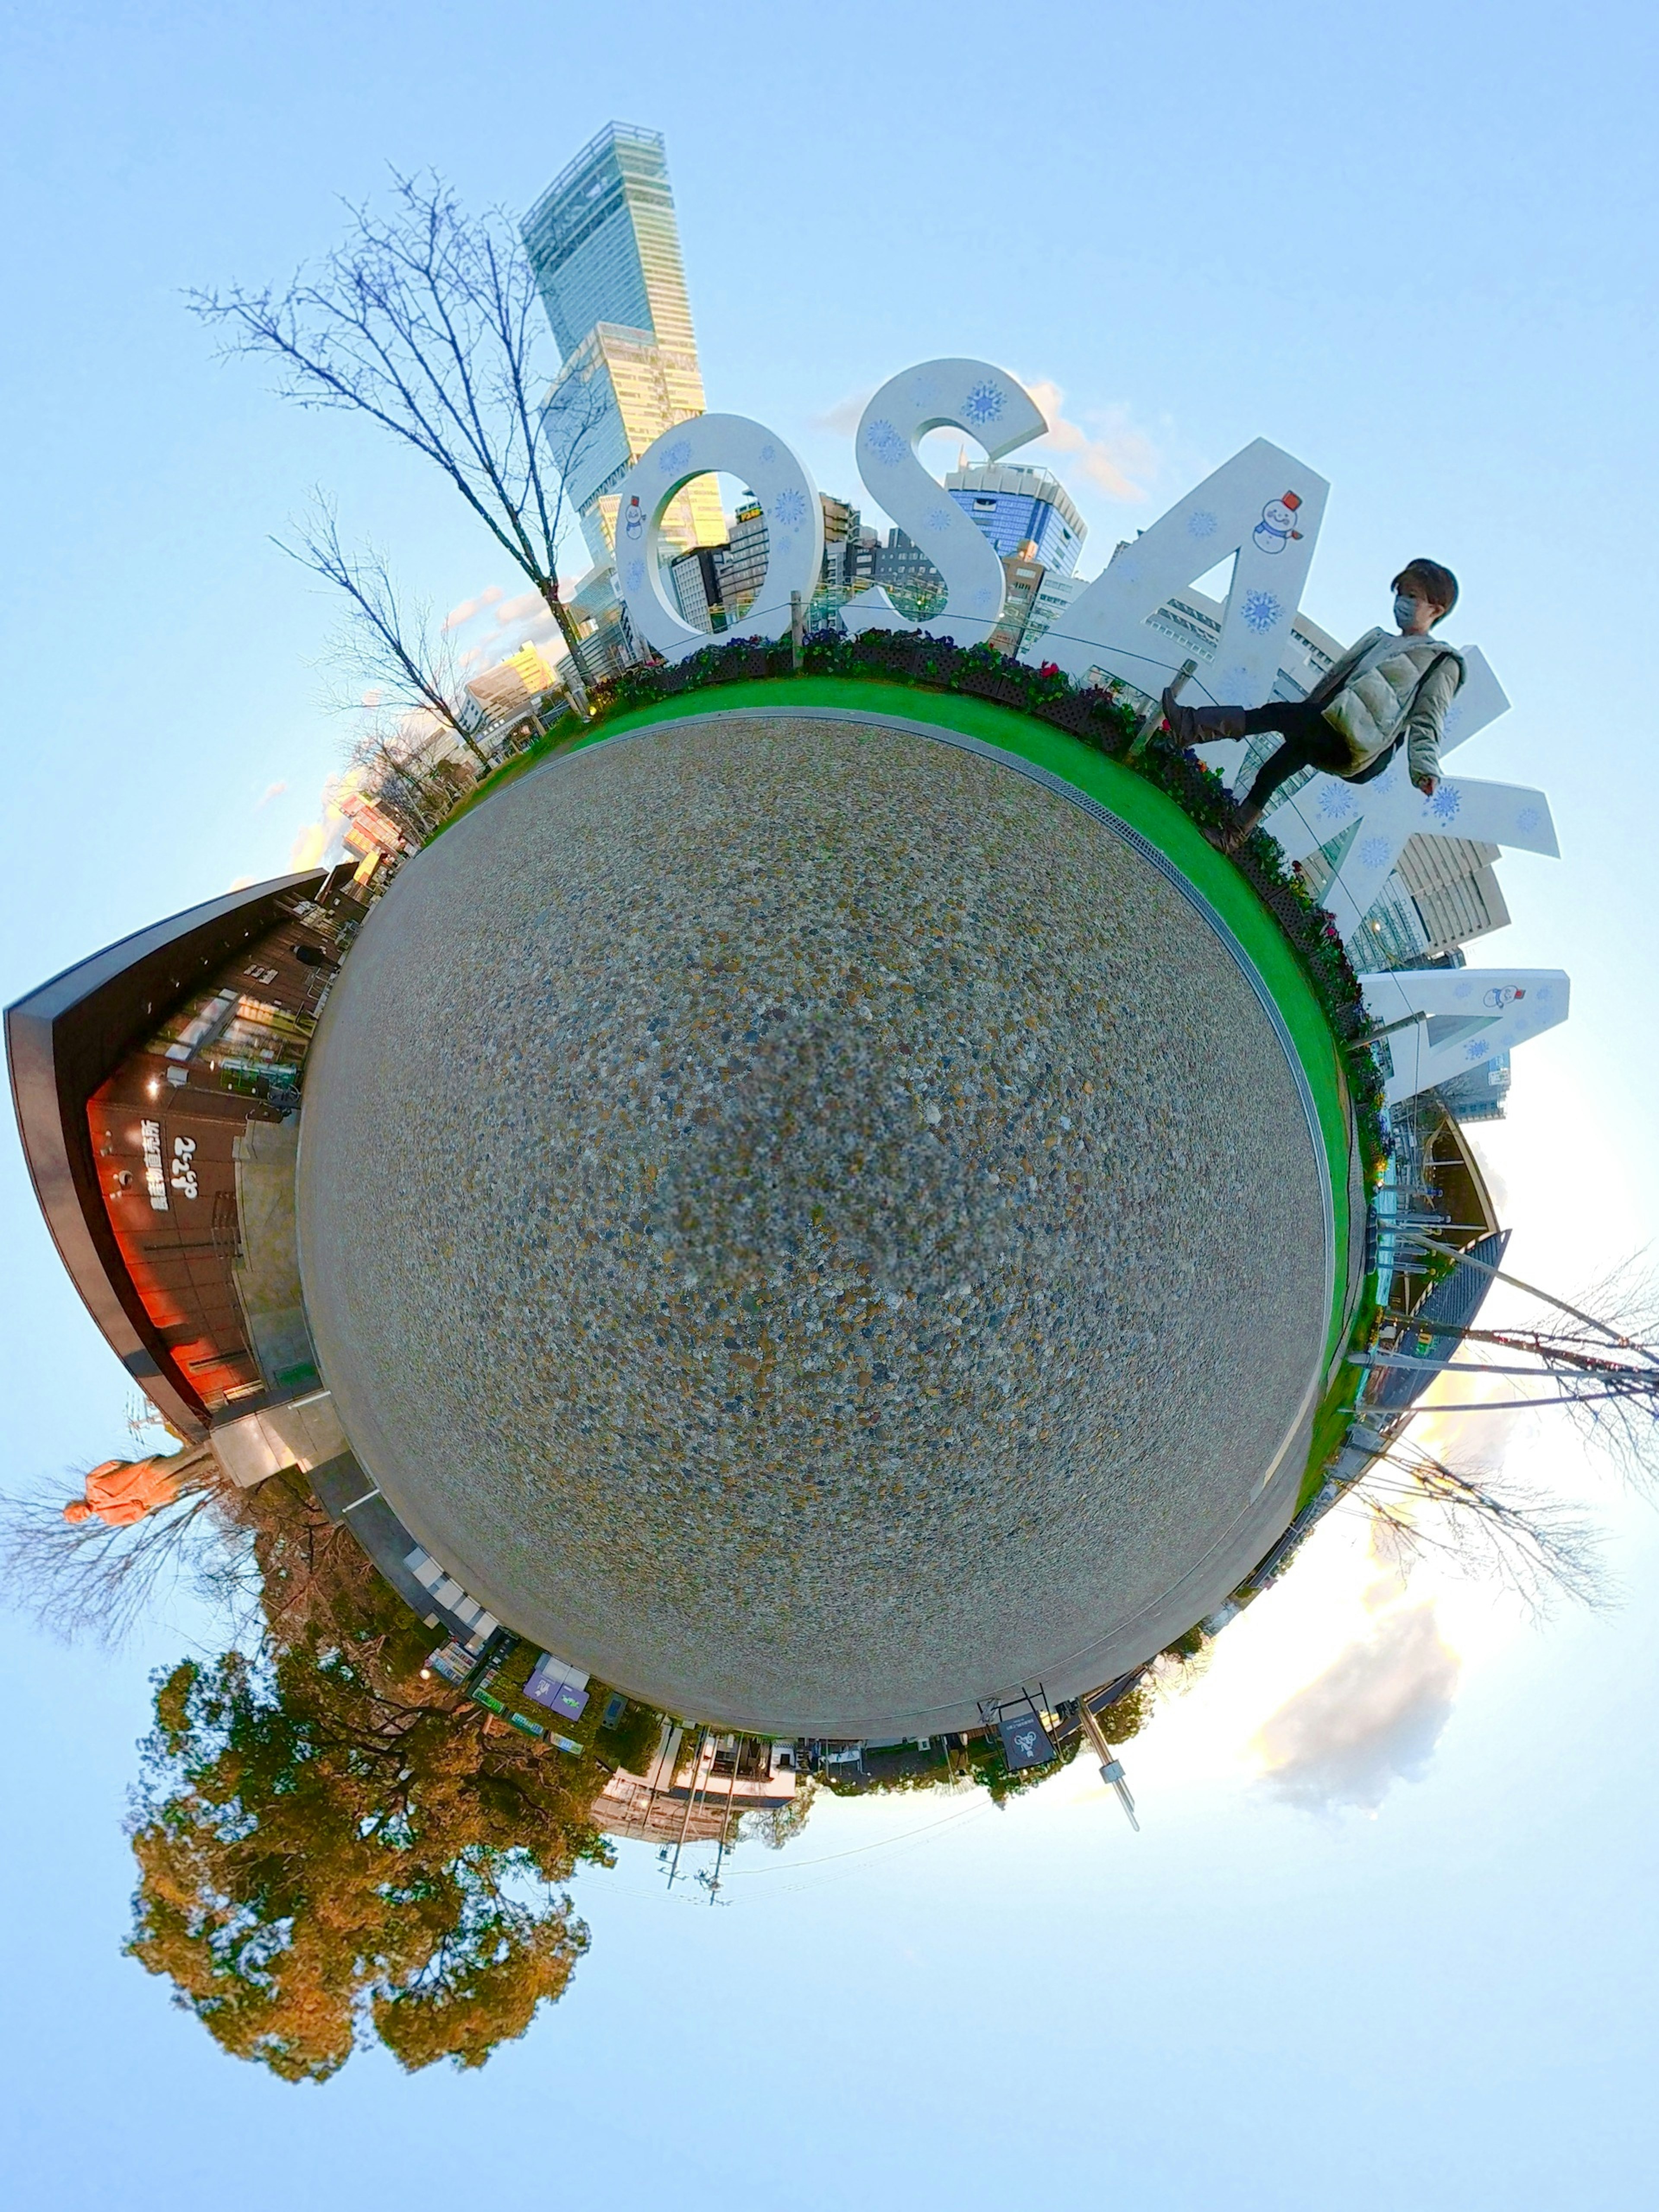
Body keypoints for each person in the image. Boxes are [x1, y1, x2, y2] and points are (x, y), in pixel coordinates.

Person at [1162, 559, 1466, 852]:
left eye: (1412, 596)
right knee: (1272, 771)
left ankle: (1191, 726)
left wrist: (1425, 769)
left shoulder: (1439, 660)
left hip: (1356, 741)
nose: (1402, 602)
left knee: (1277, 714)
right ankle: (1231, 837)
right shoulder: (1380, 640)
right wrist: (1310, 709)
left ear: (1436, 609)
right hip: (1327, 722)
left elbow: (1430, 717)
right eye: (1400, 594)